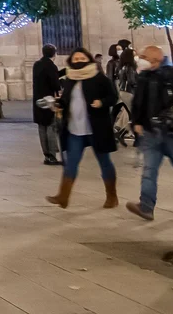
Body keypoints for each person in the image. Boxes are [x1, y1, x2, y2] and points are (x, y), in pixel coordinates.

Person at [127, 45, 173, 221]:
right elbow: (138, 103)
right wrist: (136, 122)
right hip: (150, 132)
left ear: (155, 59)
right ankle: (146, 207)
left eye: (144, 56)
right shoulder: (144, 77)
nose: (140, 58)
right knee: (149, 170)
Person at [46, 49, 119, 209]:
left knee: (104, 162)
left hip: (96, 128)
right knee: (71, 163)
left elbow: (113, 97)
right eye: (76, 58)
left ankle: (112, 196)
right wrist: (59, 104)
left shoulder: (99, 78)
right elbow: (66, 100)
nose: (79, 60)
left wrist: (102, 102)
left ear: (89, 59)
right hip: (75, 129)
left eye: (82, 58)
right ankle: (63, 196)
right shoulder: (71, 79)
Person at [32, 44, 64, 166]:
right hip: (49, 100)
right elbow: (55, 82)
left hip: (39, 100)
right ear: (54, 53)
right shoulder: (51, 66)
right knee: (50, 126)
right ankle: (52, 155)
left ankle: (46, 155)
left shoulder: (37, 64)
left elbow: (47, 77)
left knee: (42, 127)